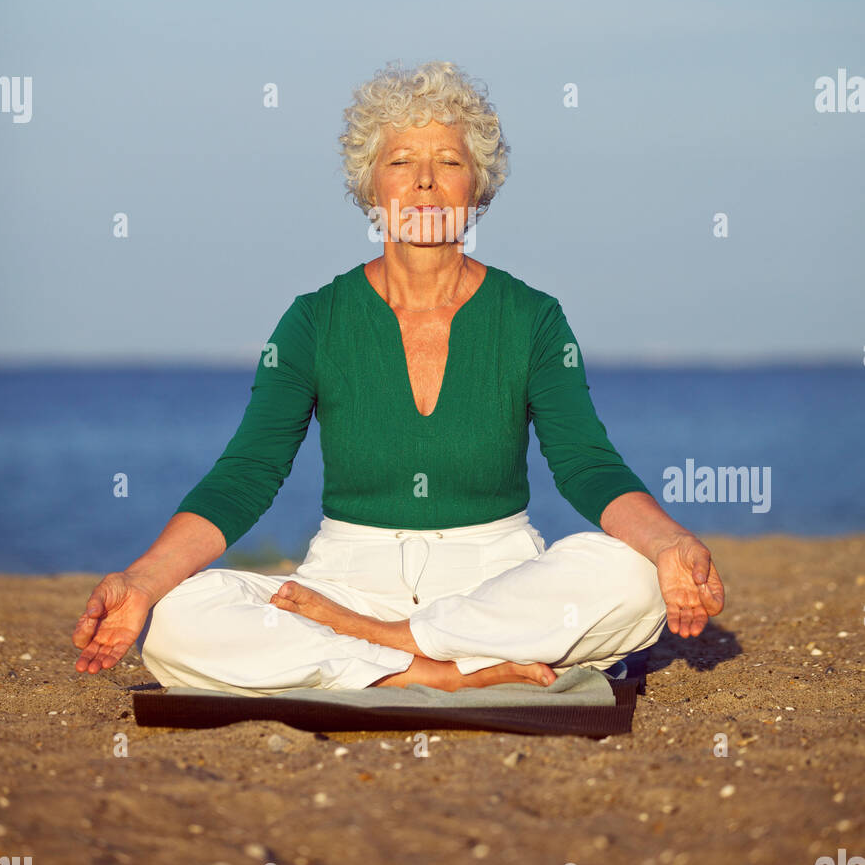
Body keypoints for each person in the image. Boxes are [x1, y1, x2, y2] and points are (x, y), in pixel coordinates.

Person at [73, 60, 725, 695]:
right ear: (371, 187)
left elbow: (587, 466)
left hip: (493, 582)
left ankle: (387, 646)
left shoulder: (532, 318)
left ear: (476, 186)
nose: (423, 182)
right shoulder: (313, 320)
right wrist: (141, 581)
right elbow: (246, 474)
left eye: (448, 162)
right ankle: (434, 669)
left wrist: (669, 542)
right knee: (179, 620)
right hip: (345, 581)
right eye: (400, 162)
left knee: (631, 579)